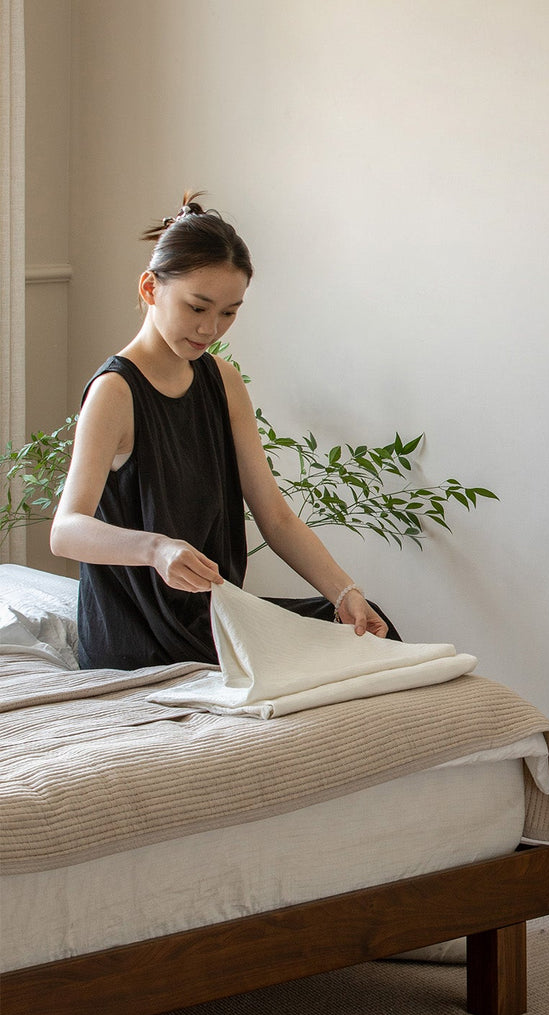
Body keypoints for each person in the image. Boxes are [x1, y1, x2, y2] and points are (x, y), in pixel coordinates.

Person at [51, 191, 395, 669]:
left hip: (216, 618)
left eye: (229, 312)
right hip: (139, 633)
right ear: (150, 289)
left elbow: (275, 518)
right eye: (197, 307)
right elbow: (65, 531)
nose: (211, 328)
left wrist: (345, 592)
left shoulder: (222, 381)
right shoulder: (116, 391)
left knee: (370, 629)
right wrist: (156, 549)